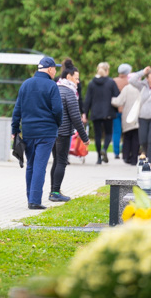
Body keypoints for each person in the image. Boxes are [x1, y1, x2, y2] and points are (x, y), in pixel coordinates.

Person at [11, 56, 63, 210]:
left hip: (28, 132)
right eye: (55, 68)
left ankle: (31, 197)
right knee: (40, 165)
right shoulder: (52, 86)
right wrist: (57, 124)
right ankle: (34, 201)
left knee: (31, 165)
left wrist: (15, 129)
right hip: (46, 132)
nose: (56, 71)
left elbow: (17, 110)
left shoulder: (26, 84)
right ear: (49, 69)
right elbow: (58, 110)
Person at [49, 59, 89, 202]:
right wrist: (85, 138)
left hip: (52, 131)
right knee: (61, 161)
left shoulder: (54, 88)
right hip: (64, 132)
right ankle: (55, 192)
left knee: (56, 161)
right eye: (76, 79)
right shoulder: (70, 93)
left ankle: (54, 189)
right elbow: (76, 118)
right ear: (68, 77)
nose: (78, 82)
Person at [83, 62, 120, 164]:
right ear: (107, 70)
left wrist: (85, 113)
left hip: (95, 113)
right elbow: (117, 96)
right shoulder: (111, 82)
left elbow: (88, 100)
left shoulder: (92, 83)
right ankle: (104, 149)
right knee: (108, 133)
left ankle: (99, 158)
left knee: (98, 135)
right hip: (108, 112)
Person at [111, 64, 139, 165]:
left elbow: (118, 100)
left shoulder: (114, 81)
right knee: (135, 137)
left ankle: (118, 153)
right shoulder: (137, 86)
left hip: (119, 112)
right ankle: (133, 156)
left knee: (119, 133)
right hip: (134, 115)